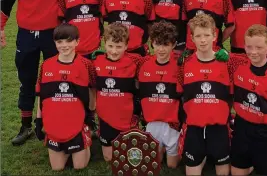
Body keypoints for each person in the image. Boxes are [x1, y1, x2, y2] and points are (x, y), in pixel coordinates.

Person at [0, 0, 76, 145]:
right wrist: (1, 27)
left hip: (56, 37)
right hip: (26, 35)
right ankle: (25, 127)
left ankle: (52, 123)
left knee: (56, 81)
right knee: (27, 81)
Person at [222, 24, 267, 176]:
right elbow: (211, 52)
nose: (253, 52)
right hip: (242, 128)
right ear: (244, 46)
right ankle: (254, 161)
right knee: (236, 173)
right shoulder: (237, 62)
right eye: (249, 47)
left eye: (259, 47)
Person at [34, 23, 96, 171]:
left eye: (69, 41)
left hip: (77, 123)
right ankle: (64, 147)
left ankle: (84, 138)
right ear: (54, 43)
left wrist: (91, 115)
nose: (64, 45)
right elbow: (41, 96)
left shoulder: (86, 65)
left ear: (77, 42)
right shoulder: (46, 65)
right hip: (55, 124)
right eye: (59, 42)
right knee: (57, 168)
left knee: (80, 166)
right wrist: (38, 119)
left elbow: (93, 90)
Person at [177, 14, 232, 176]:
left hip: (219, 128)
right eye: (198, 36)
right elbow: (181, 92)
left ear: (215, 35)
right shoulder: (185, 64)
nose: (203, 40)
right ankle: (202, 157)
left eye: (207, 35)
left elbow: (250, 61)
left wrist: (229, 56)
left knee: (223, 173)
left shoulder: (227, 62)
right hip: (194, 127)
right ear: (191, 38)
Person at [91, 23, 141, 162]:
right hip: (106, 117)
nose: (114, 51)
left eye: (119, 47)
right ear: (104, 43)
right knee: (109, 158)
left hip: (127, 117)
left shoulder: (136, 61)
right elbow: (91, 86)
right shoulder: (96, 62)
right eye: (110, 46)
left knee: (131, 157)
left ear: (126, 45)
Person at [137, 20, 181, 168]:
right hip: (152, 122)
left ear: (173, 45)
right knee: (154, 163)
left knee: (171, 166)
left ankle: (180, 144)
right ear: (152, 43)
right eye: (157, 44)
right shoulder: (143, 64)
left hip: (172, 124)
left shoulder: (181, 65)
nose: (161, 49)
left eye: (166, 44)